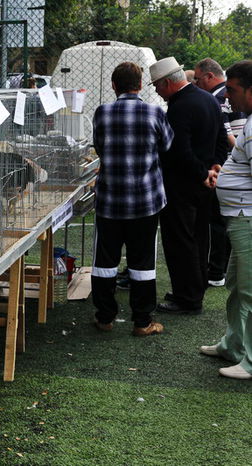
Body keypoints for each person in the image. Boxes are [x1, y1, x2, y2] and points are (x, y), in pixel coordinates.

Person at [91, 62, 173, 336]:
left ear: (114, 85)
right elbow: (167, 146)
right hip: (145, 201)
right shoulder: (155, 112)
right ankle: (142, 321)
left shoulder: (102, 112)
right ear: (140, 85)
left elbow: (100, 147)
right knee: (142, 262)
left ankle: (105, 317)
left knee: (105, 261)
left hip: (110, 201)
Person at [150, 57, 228, 315]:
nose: (156, 92)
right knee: (199, 239)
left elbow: (179, 151)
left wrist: (201, 173)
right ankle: (193, 290)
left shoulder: (179, 107)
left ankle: (187, 298)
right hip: (204, 184)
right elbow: (220, 138)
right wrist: (214, 167)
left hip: (183, 185)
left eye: (156, 86)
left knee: (180, 242)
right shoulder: (208, 99)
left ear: (166, 83)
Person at [198, 60, 252, 380]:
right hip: (239, 217)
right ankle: (232, 345)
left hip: (247, 218)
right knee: (236, 286)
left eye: (231, 89)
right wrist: (223, 173)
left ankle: (249, 361)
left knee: (249, 291)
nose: (227, 97)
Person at [194, 58, 248, 287]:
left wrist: (227, 163)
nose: (228, 95)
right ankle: (220, 270)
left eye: (197, 78)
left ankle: (216, 270)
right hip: (239, 193)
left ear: (209, 76)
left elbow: (227, 136)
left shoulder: (216, 99)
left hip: (241, 202)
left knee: (216, 225)